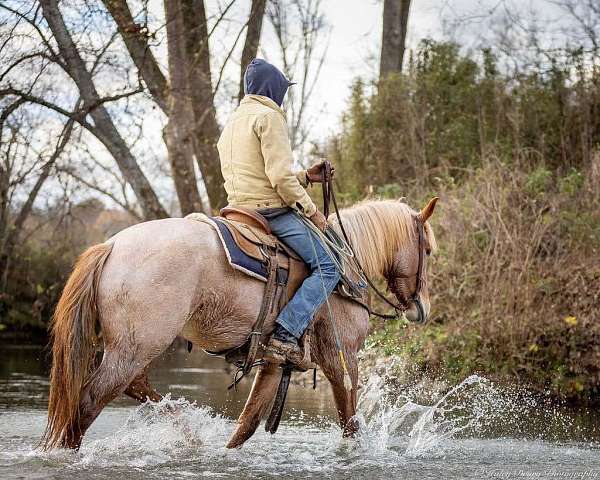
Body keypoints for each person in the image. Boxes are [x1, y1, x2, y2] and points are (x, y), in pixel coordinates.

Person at [217, 58, 340, 366]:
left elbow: (261, 174)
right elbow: (279, 180)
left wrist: (306, 177)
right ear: (274, 89)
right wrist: (312, 212)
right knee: (330, 266)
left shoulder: (233, 121)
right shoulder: (269, 117)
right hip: (270, 212)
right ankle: (286, 335)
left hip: (236, 210)